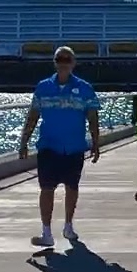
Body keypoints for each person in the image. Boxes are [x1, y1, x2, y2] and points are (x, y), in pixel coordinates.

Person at [19, 46, 101, 247]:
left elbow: (93, 117)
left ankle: (68, 226)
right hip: (49, 145)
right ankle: (46, 232)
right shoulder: (43, 87)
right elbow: (33, 116)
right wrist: (24, 141)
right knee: (46, 188)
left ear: (73, 63)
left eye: (67, 59)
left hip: (74, 146)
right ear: (54, 63)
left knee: (72, 187)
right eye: (59, 59)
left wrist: (96, 143)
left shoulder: (85, 88)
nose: (63, 63)